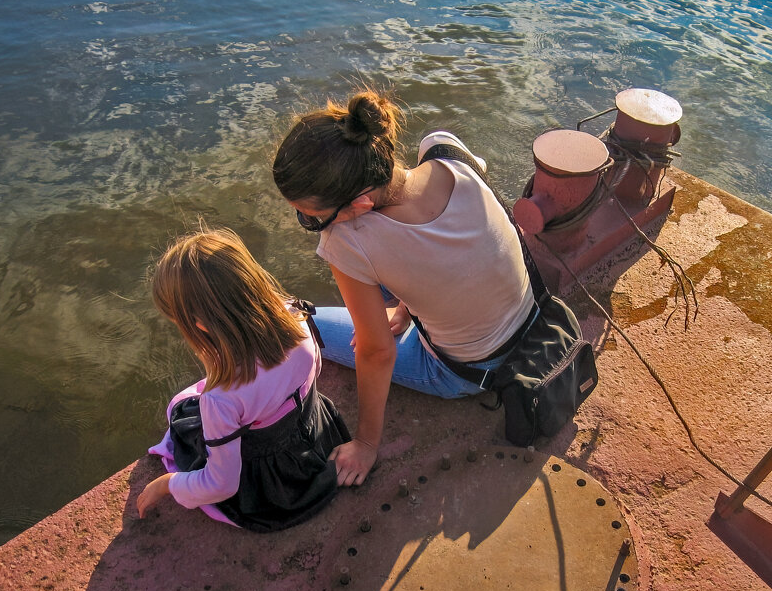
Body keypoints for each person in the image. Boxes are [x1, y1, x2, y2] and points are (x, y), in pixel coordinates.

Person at [272, 87, 535, 488]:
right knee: (378, 274)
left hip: (467, 371)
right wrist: (405, 308)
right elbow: (454, 239)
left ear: (360, 204)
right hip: (528, 324)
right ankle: (400, 307)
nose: (310, 225)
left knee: (294, 321)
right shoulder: (445, 149)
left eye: (312, 219)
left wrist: (365, 443)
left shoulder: (349, 240)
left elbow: (377, 352)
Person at [138, 226, 351, 531]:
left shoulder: (221, 398)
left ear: (200, 325)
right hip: (316, 437)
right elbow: (312, 373)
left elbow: (221, 485)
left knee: (182, 414)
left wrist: (167, 484)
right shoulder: (299, 318)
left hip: (273, 488)